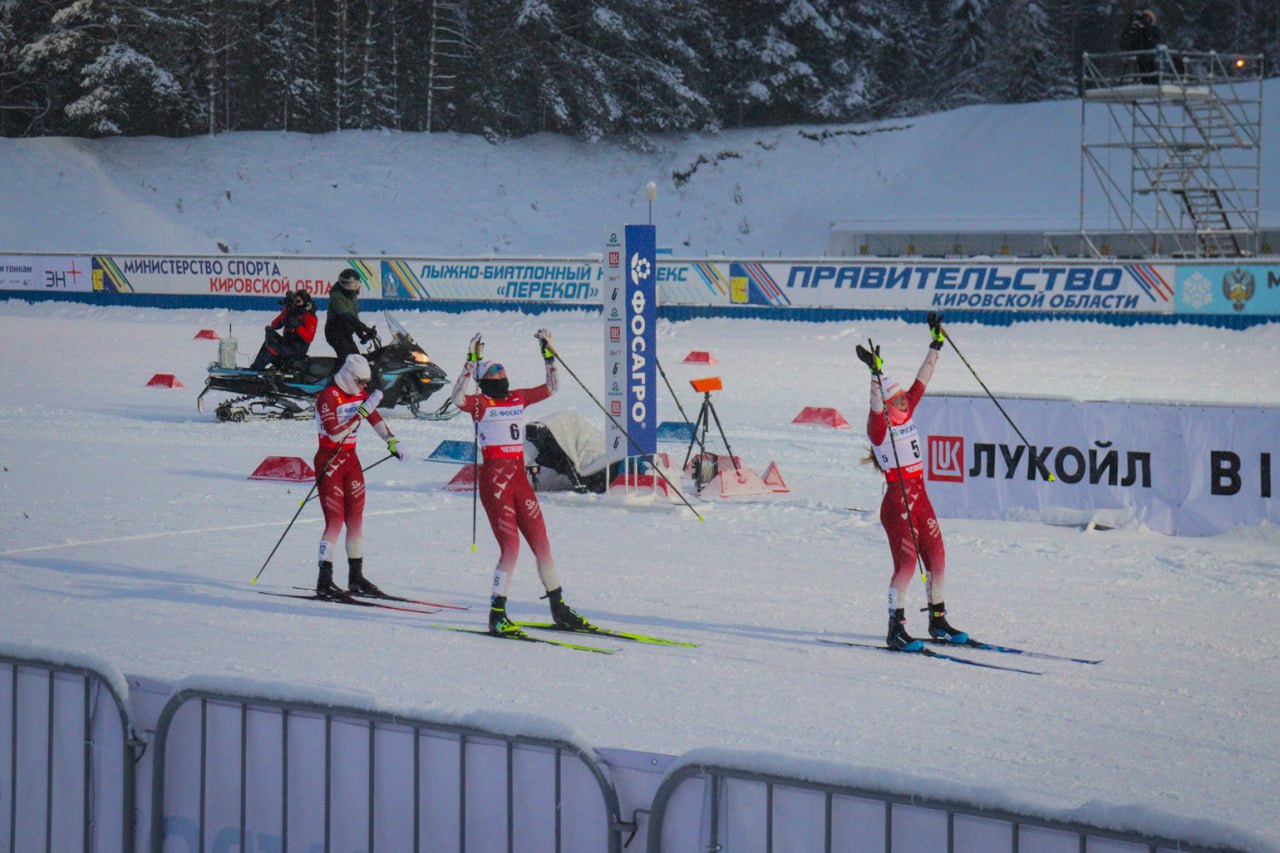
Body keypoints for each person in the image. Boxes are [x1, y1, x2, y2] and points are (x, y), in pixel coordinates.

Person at [449, 328, 590, 636]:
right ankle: (497, 614)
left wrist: (548, 353)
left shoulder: (517, 398)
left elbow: (552, 387)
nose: (501, 382)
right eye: (495, 379)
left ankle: (559, 608)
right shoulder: (480, 404)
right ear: (486, 383)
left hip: (518, 479)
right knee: (510, 549)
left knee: (542, 544)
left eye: (503, 378)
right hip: (495, 482)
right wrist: (470, 361)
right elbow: (456, 396)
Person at [855, 313, 968, 652]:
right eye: (897, 399)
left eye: (903, 396)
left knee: (937, 557)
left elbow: (922, 380)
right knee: (906, 565)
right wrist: (875, 372)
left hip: (920, 497)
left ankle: (938, 620)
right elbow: (876, 404)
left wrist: (936, 344)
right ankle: (896, 628)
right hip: (897, 502)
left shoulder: (907, 407)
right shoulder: (879, 427)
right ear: (889, 407)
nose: (905, 399)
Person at [313, 353, 404, 599]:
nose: (364, 387)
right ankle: (325, 579)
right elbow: (333, 434)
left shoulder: (358, 395)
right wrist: (360, 412)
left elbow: (374, 418)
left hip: (351, 460)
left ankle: (356, 577)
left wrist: (391, 440)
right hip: (329, 460)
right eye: (361, 382)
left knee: (355, 519)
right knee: (335, 520)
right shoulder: (328, 397)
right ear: (349, 376)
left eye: (366, 383)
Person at [250, 289, 318, 371]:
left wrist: (298, 326)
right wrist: (285, 315)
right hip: (287, 343)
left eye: (298, 301)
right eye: (295, 301)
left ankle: (256, 369)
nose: (296, 303)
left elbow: (309, 338)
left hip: (297, 349)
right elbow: (274, 324)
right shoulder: (291, 311)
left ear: (305, 301)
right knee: (269, 338)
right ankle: (255, 367)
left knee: (273, 348)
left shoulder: (310, 317)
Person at [324, 269, 376, 365]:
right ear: (342, 284)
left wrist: (361, 334)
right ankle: (337, 378)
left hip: (346, 332)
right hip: (335, 332)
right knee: (350, 360)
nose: (353, 288)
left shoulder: (352, 296)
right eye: (349, 285)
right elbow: (346, 317)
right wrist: (364, 328)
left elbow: (354, 317)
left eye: (355, 285)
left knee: (357, 358)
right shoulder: (336, 296)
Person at [1119, 9, 1162, 80]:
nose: (1144, 19)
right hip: (1141, 56)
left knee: (1152, 74)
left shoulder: (1154, 29)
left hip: (1151, 56)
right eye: (1143, 17)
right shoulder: (1139, 29)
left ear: (1151, 19)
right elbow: (1128, 43)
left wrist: (1146, 28)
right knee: (1143, 74)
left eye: (1147, 17)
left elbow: (1152, 42)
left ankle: (1152, 83)